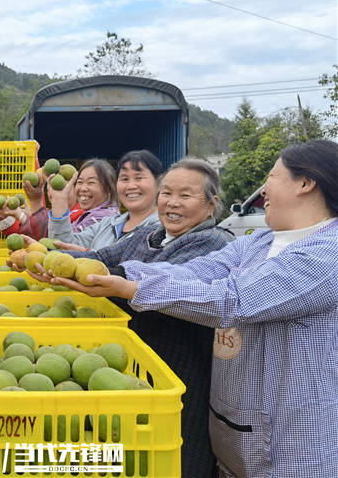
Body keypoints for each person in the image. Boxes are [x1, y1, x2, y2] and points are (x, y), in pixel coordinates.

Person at [52, 139, 338, 476]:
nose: (263, 192)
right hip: (235, 432)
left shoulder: (326, 254)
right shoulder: (259, 242)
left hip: (296, 441)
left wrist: (131, 287)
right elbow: (196, 273)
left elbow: (233, 299)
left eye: (272, 177)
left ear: (306, 183)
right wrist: (119, 276)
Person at [31, 158, 233, 478]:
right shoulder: (150, 235)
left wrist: (109, 281)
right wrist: (49, 258)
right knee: (134, 447)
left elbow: (169, 280)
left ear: (211, 205)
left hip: (183, 366)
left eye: (186, 195)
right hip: (137, 361)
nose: (172, 203)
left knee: (179, 446)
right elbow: (100, 258)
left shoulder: (212, 242)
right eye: (167, 193)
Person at [0, 159, 119, 240]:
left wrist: (25, 211)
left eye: (91, 182)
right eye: (80, 182)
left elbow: (55, 242)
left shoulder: (97, 216)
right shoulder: (63, 214)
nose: (83, 188)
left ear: (108, 188)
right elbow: (25, 234)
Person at [48, 150, 163, 249]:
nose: (131, 186)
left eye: (139, 178)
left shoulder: (164, 228)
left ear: (159, 183)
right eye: (124, 178)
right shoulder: (107, 225)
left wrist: (92, 256)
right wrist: (59, 200)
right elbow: (64, 246)